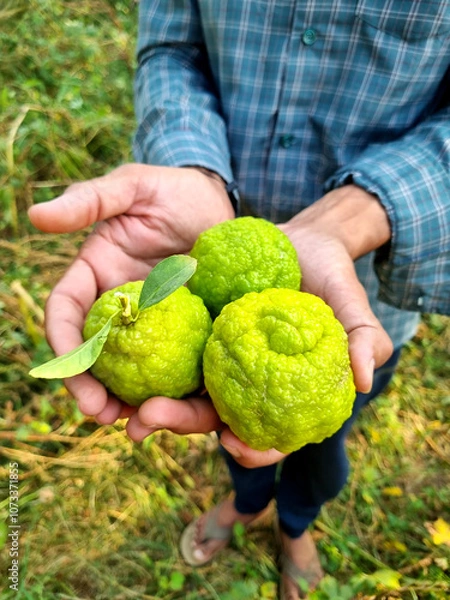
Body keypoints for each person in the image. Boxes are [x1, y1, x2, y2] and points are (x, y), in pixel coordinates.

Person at [28, 2, 450, 598]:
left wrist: (355, 215)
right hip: (210, 261)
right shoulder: (204, 321)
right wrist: (192, 168)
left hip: (362, 309)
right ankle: (247, 504)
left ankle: (298, 524)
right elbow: (171, 49)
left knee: (324, 449)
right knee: (237, 442)